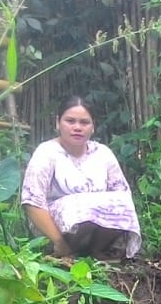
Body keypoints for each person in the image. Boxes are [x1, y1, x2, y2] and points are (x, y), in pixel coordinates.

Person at [20, 96, 142, 260]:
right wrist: (60, 242)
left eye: (84, 122)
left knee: (122, 200)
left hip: (97, 233)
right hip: (52, 230)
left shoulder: (103, 153)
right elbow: (32, 202)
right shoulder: (47, 152)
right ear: (58, 123)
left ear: (93, 127)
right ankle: (64, 250)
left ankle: (98, 252)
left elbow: (122, 194)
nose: (77, 127)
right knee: (79, 204)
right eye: (70, 121)